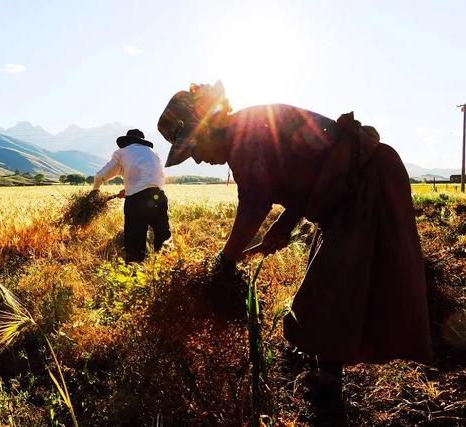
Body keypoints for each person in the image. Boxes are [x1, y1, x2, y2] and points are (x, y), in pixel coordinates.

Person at [157, 82, 432, 408]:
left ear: (206, 130)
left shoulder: (244, 138)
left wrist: (224, 263)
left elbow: (253, 208)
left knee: (329, 291)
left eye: (194, 149)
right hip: (351, 190)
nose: (198, 161)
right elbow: (307, 174)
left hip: (368, 183)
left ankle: (329, 394)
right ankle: (328, 380)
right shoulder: (244, 131)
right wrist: (284, 225)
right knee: (329, 287)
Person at [93, 129, 171, 262]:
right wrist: (129, 189)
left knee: (135, 239)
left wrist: (94, 191)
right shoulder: (154, 154)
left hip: (137, 201)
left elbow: (100, 175)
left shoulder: (122, 153)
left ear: (127, 141)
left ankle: (134, 272)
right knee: (163, 236)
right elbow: (150, 178)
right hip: (159, 196)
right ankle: (165, 267)